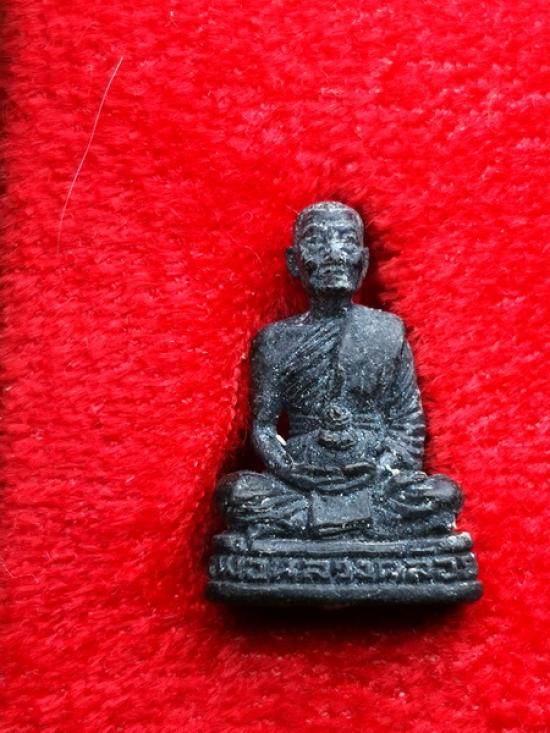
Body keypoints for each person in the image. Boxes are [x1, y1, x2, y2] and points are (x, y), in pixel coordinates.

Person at [217, 201, 462, 539]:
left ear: (363, 261)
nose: (333, 253)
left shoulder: (387, 331)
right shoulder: (275, 340)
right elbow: (263, 426)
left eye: (346, 241)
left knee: (443, 494)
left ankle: (315, 524)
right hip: (303, 476)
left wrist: (382, 468)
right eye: (316, 242)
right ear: (294, 262)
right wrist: (288, 469)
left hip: (373, 475)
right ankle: (363, 523)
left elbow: (408, 420)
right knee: (235, 493)